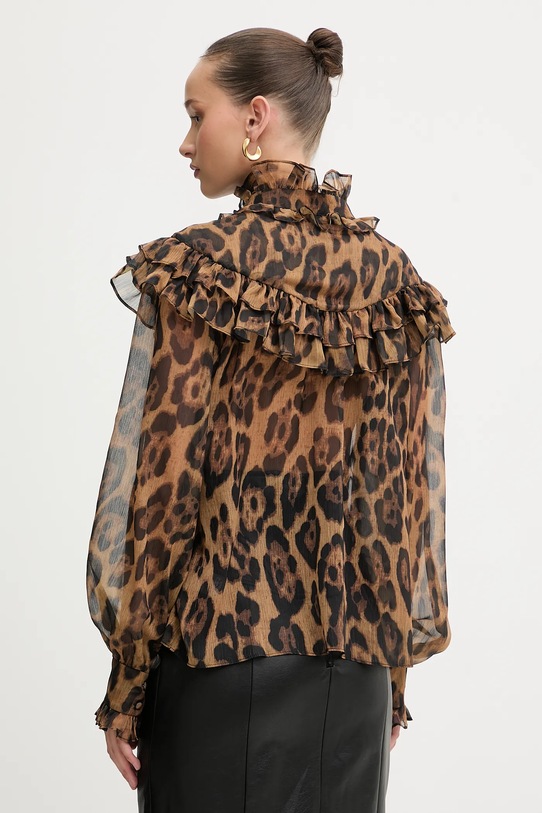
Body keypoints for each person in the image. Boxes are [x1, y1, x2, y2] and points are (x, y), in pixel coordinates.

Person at [86, 25, 455, 813]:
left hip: (219, 666)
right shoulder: (395, 282)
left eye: (197, 115)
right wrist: (390, 678)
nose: (186, 142)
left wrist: (127, 682)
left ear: (255, 118)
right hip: (353, 684)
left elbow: (161, 492)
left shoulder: (196, 268)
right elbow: (402, 502)